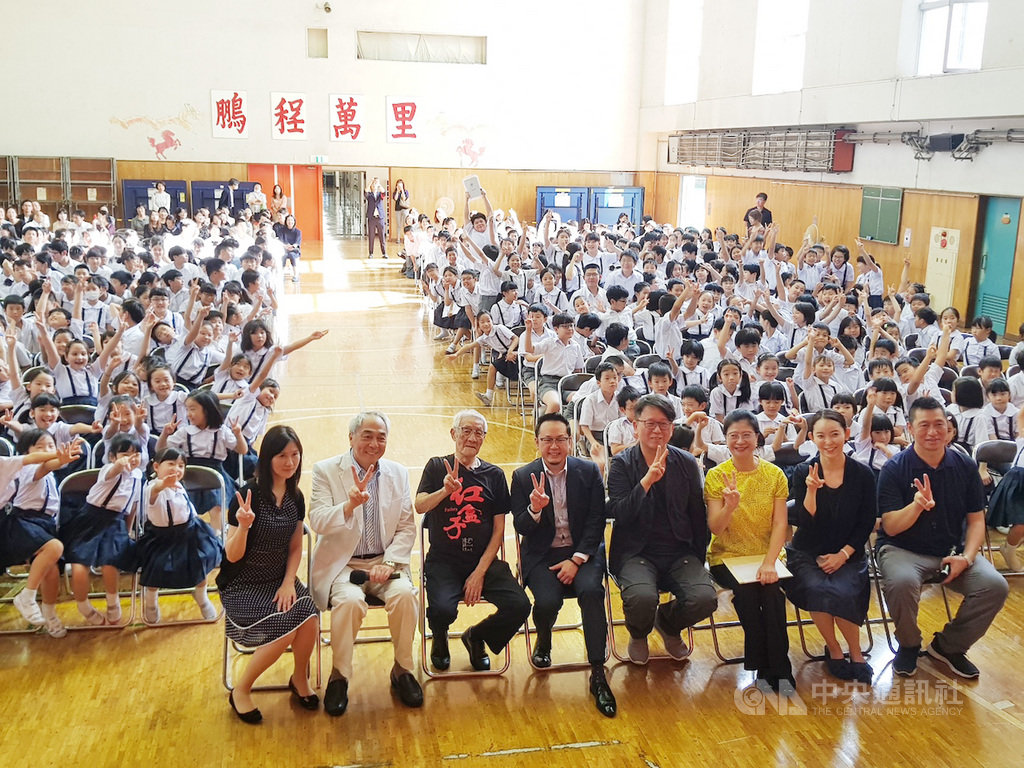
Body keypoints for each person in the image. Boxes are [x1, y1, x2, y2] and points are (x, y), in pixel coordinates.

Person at [876, 396, 1009, 678]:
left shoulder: (964, 466)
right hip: (903, 550)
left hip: (952, 549)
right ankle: (909, 645)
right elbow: (890, 527)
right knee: (901, 582)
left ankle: (948, 646)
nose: (933, 432)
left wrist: (967, 557)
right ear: (910, 429)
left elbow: (976, 520)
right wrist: (916, 506)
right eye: (924, 425)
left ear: (949, 428)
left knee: (995, 585)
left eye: (940, 425)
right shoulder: (894, 469)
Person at [309, 411, 422, 716]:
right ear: (351, 438)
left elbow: (406, 526)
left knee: (404, 596)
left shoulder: (398, 472)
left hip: (386, 561)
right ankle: (340, 676)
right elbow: (317, 520)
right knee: (349, 602)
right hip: (343, 565)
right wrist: (349, 505)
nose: (374, 443)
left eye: (381, 437)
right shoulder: (326, 470)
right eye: (367, 435)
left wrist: (391, 561)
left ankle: (402, 670)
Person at [511, 413, 616, 717]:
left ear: (570, 441)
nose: (554, 446)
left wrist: (577, 559)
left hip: (582, 553)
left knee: (592, 593)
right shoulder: (522, 477)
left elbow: (598, 520)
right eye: (547, 440)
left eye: (560, 439)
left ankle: (598, 672)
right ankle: (543, 640)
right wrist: (534, 509)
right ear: (537, 442)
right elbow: (521, 528)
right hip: (542, 556)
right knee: (546, 601)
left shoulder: (588, 471)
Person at [606, 393, 717, 665]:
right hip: (635, 551)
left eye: (664, 424)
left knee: (704, 598)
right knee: (642, 597)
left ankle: (667, 624)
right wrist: (645, 482)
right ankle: (639, 633)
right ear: (635, 425)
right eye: (649, 423)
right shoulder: (622, 464)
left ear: (672, 427)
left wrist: (697, 555)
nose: (657, 430)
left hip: (680, 550)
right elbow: (618, 512)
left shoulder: (687, 463)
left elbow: (696, 514)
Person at [415, 410, 530, 672]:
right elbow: (420, 506)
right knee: (443, 609)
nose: (472, 437)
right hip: (444, 561)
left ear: (484, 438)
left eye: (478, 432)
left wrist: (479, 572)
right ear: (453, 433)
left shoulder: (495, 475)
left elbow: (499, 529)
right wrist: (445, 490)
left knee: (520, 605)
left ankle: (477, 637)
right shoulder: (437, 466)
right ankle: (440, 637)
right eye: (466, 430)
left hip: (483, 561)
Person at [219, 426, 320, 724]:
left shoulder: (295, 496)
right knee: (286, 625)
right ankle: (241, 689)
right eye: (282, 456)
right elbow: (232, 555)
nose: (290, 462)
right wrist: (245, 526)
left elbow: (295, 548)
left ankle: (299, 678)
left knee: (309, 616)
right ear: (267, 458)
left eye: (295, 455)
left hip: (279, 579)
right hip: (242, 583)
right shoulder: (247, 496)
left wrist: (289, 581)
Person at [784, 410, 876, 684]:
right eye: (821, 436)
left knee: (845, 590)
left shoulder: (863, 474)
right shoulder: (803, 471)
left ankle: (857, 654)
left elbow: (866, 521)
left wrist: (843, 554)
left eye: (835, 434)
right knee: (817, 588)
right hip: (807, 551)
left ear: (847, 434)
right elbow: (804, 522)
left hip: (849, 551)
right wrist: (811, 491)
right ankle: (834, 650)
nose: (828, 441)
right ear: (812, 438)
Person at [704, 410, 793, 695]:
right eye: (733, 436)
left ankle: (774, 668)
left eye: (746, 435)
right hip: (727, 557)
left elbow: (781, 523)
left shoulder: (774, 474)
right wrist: (730, 506)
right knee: (748, 594)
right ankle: (768, 667)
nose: (740, 441)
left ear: (757, 437)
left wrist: (769, 563)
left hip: (768, 557)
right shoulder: (716, 476)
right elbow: (716, 529)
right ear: (726, 440)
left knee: (771, 593)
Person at [3, 434, 83, 638]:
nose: (47, 449)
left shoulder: (49, 472)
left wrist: (62, 459)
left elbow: (51, 466)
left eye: (51, 445)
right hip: (24, 521)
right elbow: (45, 467)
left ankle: (49, 615)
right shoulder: (27, 468)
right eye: (40, 447)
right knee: (54, 547)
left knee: (51, 572)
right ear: (26, 451)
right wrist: (59, 459)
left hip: (44, 523)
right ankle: (27, 596)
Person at [137, 448, 224, 623]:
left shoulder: (179, 485)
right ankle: (151, 603)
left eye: (181, 465)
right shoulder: (150, 487)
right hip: (161, 536)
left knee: (200, 563)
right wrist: (163, 484)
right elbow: (155, 491)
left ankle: (201, 596)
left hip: (189, 531)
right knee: (155, 569)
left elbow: (186, 507)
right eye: (171, 464)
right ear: (156, 466)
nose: (176, 469)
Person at [365, 177, 388, 258]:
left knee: (382, 236)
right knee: (371, 236)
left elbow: (383, 192)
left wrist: (378, 184)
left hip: (380, 218)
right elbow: (366, 191)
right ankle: (371, 253)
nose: (374, 185)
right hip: (371, 218)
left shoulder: (379, 194)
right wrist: (371, 182)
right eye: (373, 184)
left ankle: (384, 253)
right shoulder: (369, 195)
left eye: (375, 184)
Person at [279, 214, 302, 283]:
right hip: (284, 249)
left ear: (294, 221)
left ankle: (295, 275)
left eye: (291, 220)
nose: (290, 222)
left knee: (292, 255)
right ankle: (281, 274)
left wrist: (292, 247)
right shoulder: (282, 230)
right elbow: (280, 240)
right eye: (288, 220)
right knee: (284, 255)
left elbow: (297, 242)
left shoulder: (298, 232)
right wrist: (285, 246)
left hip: (294, 250)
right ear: (286, 221)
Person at [393, 179, 410, 243]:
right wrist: (397, 190)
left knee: (405, 224)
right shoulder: (395, 192)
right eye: (398, 184)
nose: (400, 185)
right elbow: (395, 198)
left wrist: (402, 190)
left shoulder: (406, 191)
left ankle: (406, 239)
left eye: (401, 184)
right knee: (398, 225)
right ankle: (398, 239)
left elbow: (404, 198)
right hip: (398, 210)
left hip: (405, 209)